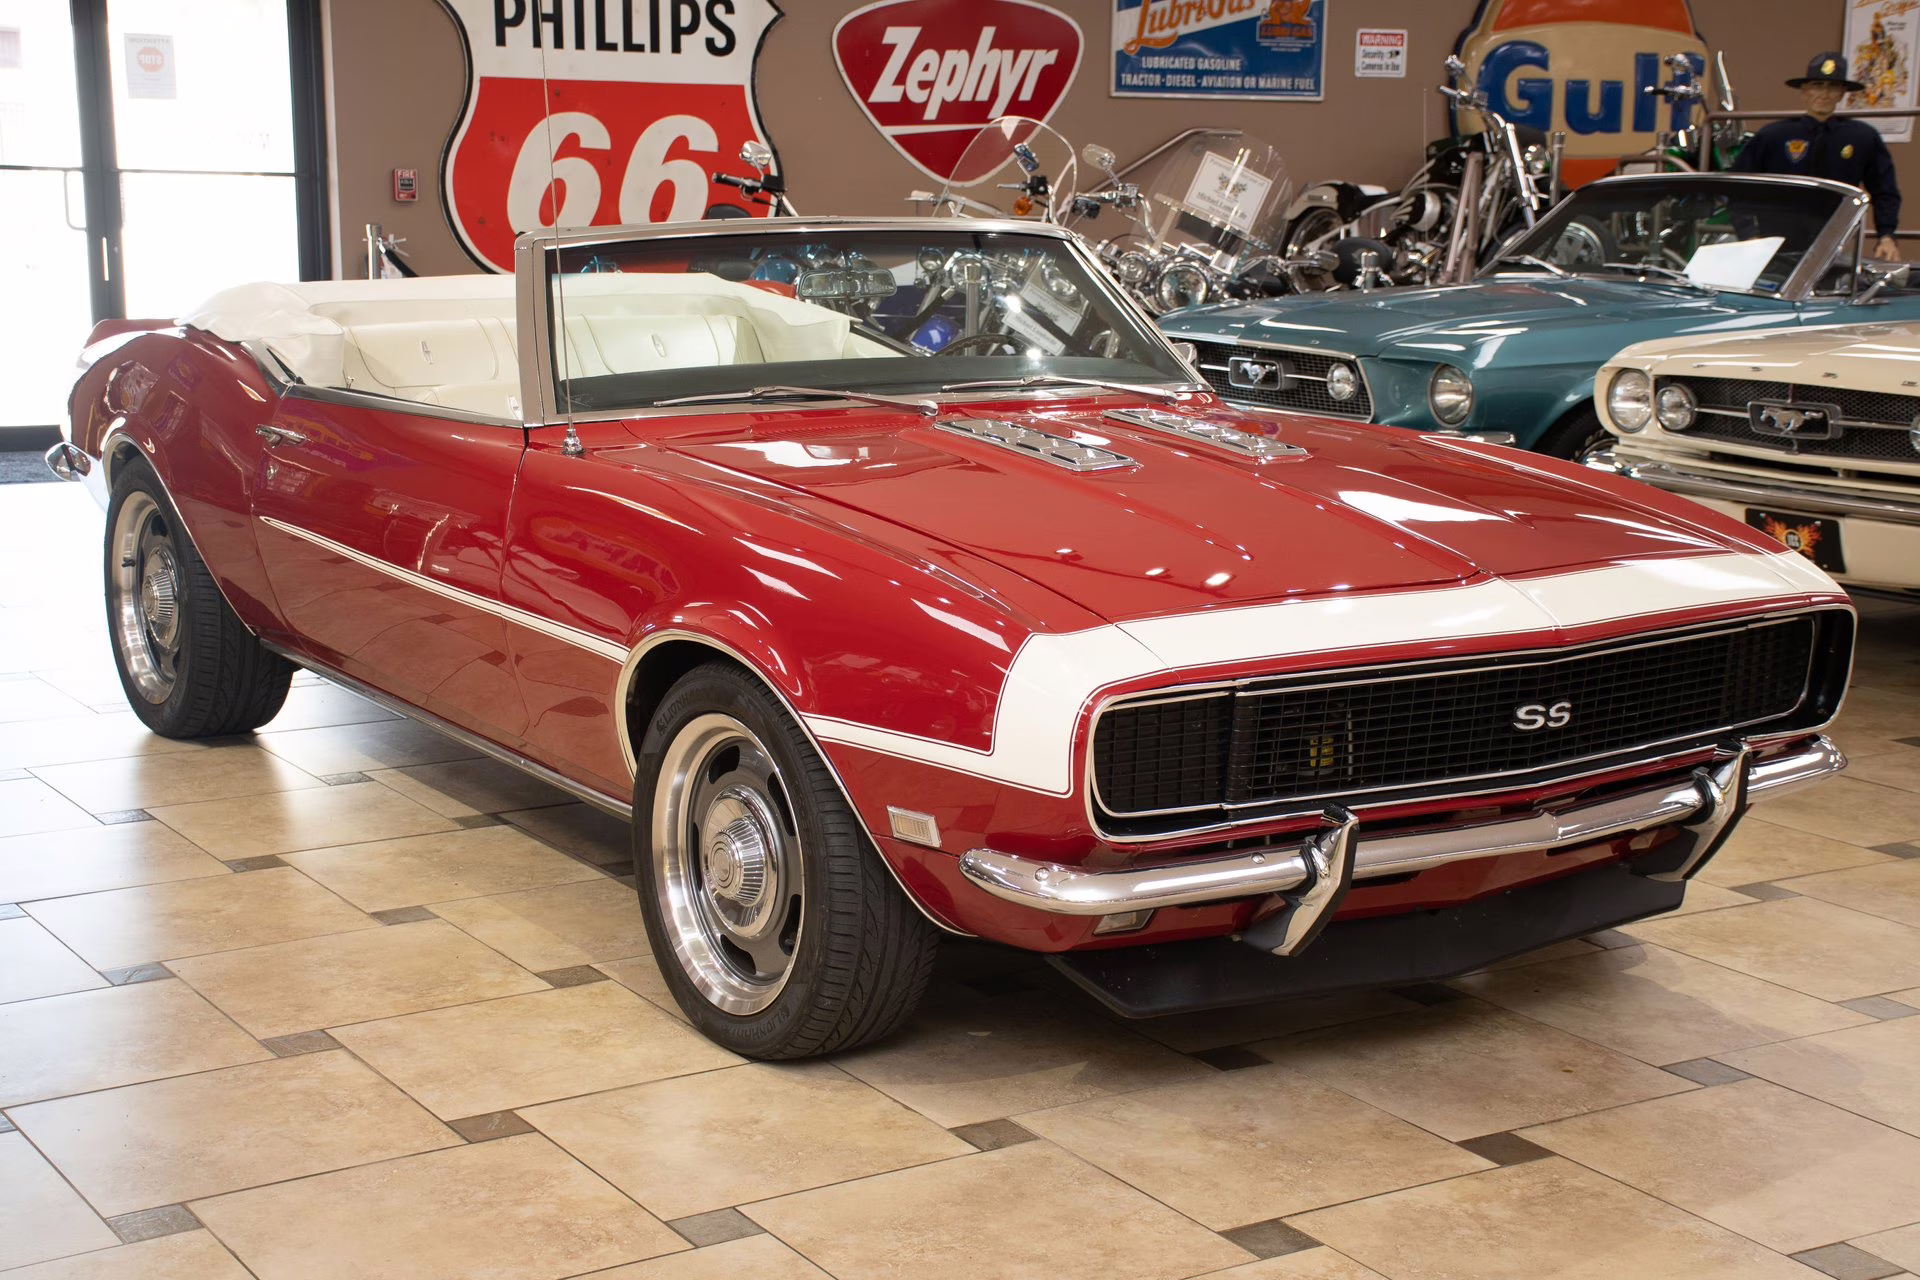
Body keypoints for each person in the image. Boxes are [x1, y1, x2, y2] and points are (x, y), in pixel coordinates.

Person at [1733, 52, 1903, 260]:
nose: (1824, 93)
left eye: (1833, 87)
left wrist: (1887, 235)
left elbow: (1884, 190)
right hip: (1774, 243)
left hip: (1834, 243)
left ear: (1842, 93)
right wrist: (1748, 234)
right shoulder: (1774, 136)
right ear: (1804, 91)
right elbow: (1739, 187)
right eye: (1817, 85)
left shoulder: (1862, 137)